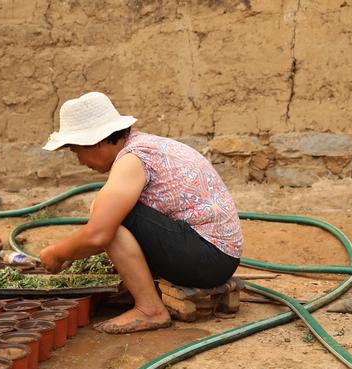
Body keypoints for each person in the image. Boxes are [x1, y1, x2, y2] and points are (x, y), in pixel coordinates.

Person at [39, 92, 243, 334]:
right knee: (108, 208)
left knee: (108, 216)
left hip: (208, 257)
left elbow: (98, 235)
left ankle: (150, 309)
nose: (80, 160)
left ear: (95, 141)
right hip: (217, 255)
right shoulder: (144, 145)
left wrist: (56, 254)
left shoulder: (132, 159)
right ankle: (140, 289)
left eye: (76, 150)